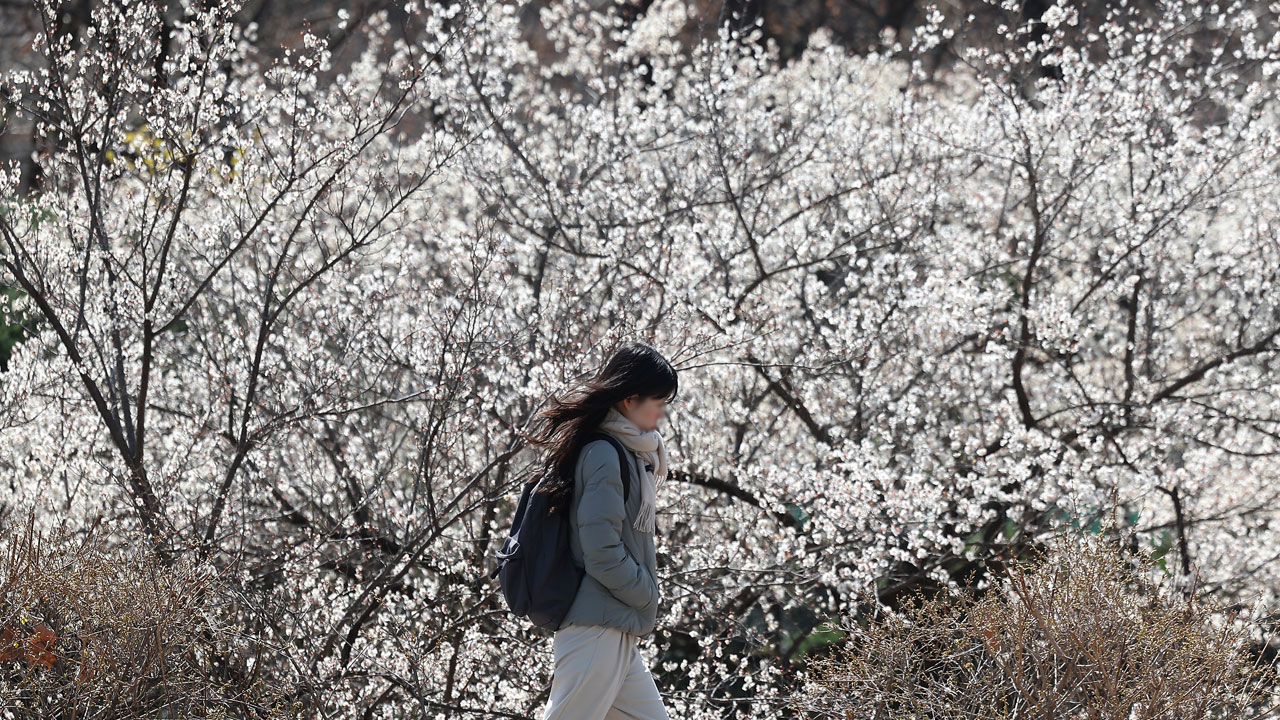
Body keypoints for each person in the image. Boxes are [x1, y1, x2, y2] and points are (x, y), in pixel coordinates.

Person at [526, 340, 677, 720]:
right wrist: (646, 592)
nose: (661, 415)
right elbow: (600, 550)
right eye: (658, 402)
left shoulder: (626, 454)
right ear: (630, 399)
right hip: (597, 629)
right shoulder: (605, 454)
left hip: (614, 626)